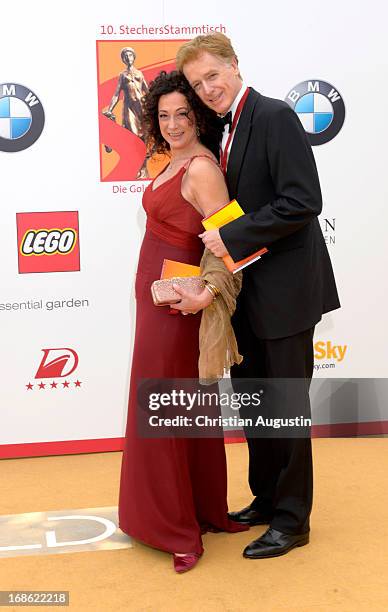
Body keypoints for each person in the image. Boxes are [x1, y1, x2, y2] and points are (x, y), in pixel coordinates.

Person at [177, 33, 340, 559]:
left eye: (213, 77)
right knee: (255, 404)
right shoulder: (221, 127)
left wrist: (234, 235)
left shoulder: (271, 115)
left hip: (287, 291)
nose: (208, 90)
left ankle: (293, 521)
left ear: (234, 66)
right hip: (247, 291)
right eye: (199, 84)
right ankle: (267, 500)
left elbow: (303, 201)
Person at [118, 70, 248, 574]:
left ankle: (180, 531)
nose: (173, 124)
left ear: (199, 117)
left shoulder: (202, 169)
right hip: (155, 296)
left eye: (183, 114)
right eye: (165, 115)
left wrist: (207, 293)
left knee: (168, 405)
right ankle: (195, 511)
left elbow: (230, 243)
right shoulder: (171, 159)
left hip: (179, 305)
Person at [103, 47, 149, 177]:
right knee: (133, 135)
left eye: (130, 56)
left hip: (141, 107)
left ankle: (142, 168)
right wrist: (110, 109)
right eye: (126, 56)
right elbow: (116, 94)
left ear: (134, 57)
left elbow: (148, 90)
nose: (129, 58)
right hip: (129, 108)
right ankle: (136, 167)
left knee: (143, 136)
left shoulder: (140, 73)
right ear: (124, 59)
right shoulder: (123, 75)